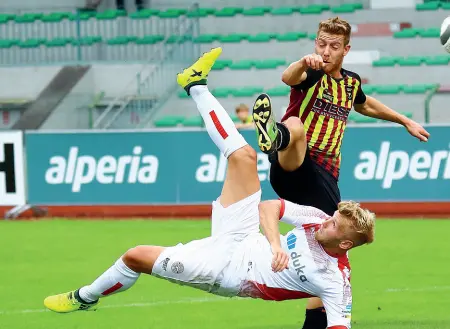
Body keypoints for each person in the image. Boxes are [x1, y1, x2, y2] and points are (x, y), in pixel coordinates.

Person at [43, 48, 376, 329]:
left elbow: (339, 324)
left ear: (345, 242)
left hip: (226, 272)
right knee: (244, 157)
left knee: (134, 256)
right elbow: (269, 207)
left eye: (334, 225)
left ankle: (84, 297)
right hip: (246, 236)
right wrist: (275, 244)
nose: (327, 222)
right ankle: (195, 84)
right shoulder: (319, 219)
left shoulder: (335, 281)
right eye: (332, 218)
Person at [251, 16, 429, 329]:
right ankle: (275, 138)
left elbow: (365, 105)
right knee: (295, 126)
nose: (326, 50)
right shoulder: (310, 72)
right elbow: (287, 77)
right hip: (293, 163)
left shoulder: (350, 83)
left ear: (346, 49)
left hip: (324, 179)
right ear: (315, 44)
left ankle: (315, 323)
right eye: (321, 44)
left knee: (329, 254)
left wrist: (405, 120)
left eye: (334, 46)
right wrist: (301, 62)